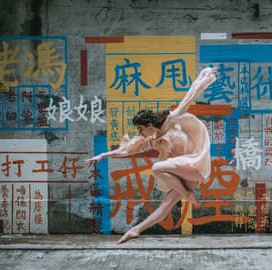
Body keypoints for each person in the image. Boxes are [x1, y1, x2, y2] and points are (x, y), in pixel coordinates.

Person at [85, 67, 217, 244]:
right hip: (185, 176)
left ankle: (187, 194)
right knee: (165, 206)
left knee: (156, 167)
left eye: (140, 129)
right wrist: (102, 155)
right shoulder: (154, 140)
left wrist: (205, 77)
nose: (140, 133)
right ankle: (135, 230)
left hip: (195, 166)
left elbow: (190, 96)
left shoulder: (172, 120)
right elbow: (127, 150)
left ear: (148, 125)